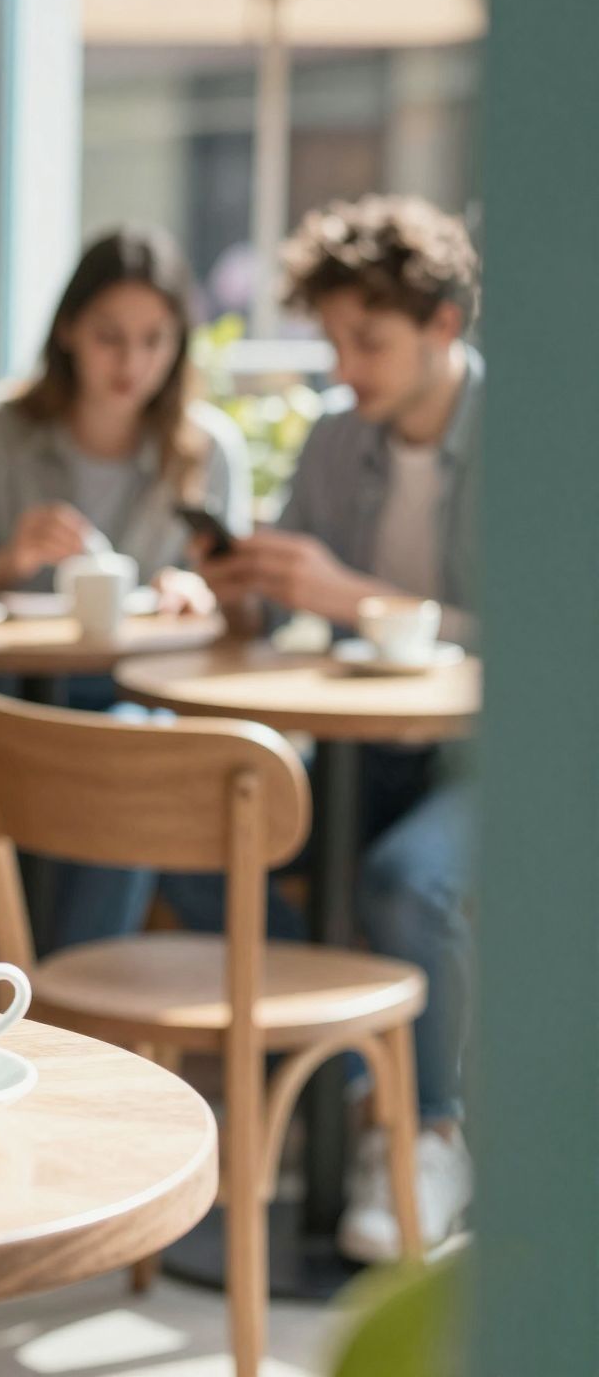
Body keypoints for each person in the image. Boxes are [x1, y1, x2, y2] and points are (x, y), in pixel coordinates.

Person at [195, 194, 480, 1263]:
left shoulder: (524, 441)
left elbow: (538, 644)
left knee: (403, 880)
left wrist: (351, 595)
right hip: (355, 747)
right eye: (334, 338)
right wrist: (235, 587)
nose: (344, 363)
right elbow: (281, 611)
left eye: (368, 339)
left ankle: (428, 1133)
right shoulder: (331, 439)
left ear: (441, 326)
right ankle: (352, 1106)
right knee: (205, 850)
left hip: (479, 758)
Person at [0, 226, 252, 946]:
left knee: (142, 746)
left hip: (136, 695)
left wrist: (205, 594)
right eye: (110, 336)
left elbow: (247, 610)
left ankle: (58, 1005)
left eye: (154, 340)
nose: (132, 363)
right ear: (68, 329)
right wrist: (6, 560)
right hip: (0, 693)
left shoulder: (208, 449)